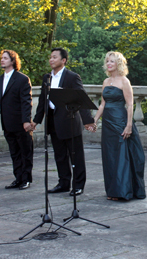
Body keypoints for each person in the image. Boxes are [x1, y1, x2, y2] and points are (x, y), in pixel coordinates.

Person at [32, 48, 95, 196]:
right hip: (53, 120)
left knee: (76, 155)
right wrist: (36, 120)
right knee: (59, 155)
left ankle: (78, 185)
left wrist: (88, 121)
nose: (51, 59)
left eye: (54, 57)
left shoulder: (72, 77)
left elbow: (81, 98)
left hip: (69, 121)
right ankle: (63, 183)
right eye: (50, 57)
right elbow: (43, 100)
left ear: (63, 60)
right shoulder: (46, 78)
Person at [92, 51, 146, 201]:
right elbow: (103, 104)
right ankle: (113, 190)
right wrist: (95, 119)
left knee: (122, 156)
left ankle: (123, 191)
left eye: (112, 61)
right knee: (110, 157)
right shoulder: (105, 81)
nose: (108, 64)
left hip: (120, 122)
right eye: (107, 61)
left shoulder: (124, 81)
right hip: (108, 124)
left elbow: (130, 105)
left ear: (118, 64)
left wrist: (129, 125)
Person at [0, 50, 33, 190]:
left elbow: (26, 101)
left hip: (21, 123)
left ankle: (26, 179)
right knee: (14, 152)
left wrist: (26, 120)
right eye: (1, 58)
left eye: (5, 58)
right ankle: (18, 178)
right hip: (7, 123)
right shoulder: (0, 80)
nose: (2, 60)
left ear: (13, 61)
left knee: (25, 152)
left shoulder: (22, 79)